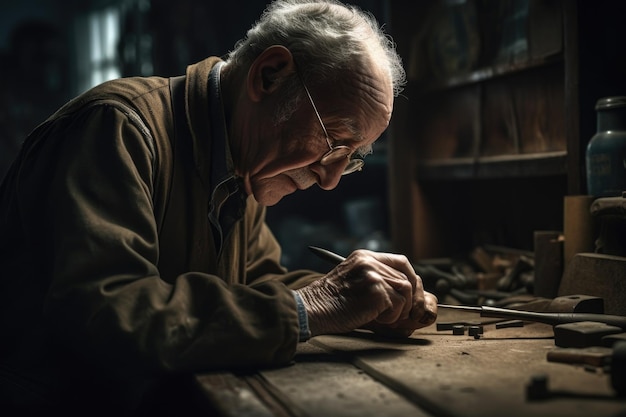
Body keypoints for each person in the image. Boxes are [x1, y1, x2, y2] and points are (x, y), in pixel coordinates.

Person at [0, 0, 437, 414]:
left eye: (351, 157)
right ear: (269, 75)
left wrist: (367, 301)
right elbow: (108, 314)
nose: (330, 179)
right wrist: (315, 305)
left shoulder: (240, 158)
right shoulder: (115, 128)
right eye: (333, 141)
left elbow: (258, 283)